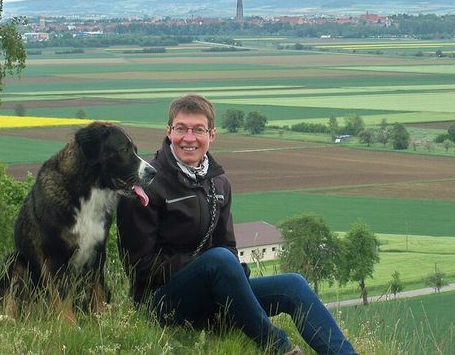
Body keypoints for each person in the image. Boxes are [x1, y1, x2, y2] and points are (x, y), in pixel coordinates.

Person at [117, 94, 357, 355]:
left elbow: (227, 247)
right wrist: (205, 268)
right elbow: (137, 265)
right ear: (169, 132)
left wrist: (227, 281)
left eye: (198, 129)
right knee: (218, 259)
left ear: (212, 135)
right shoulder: (147, 185)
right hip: (160, 303)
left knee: (293, 285)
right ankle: (278, 347)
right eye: (181, 128)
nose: (189, 138)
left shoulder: (218, 183)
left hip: (213, 293)